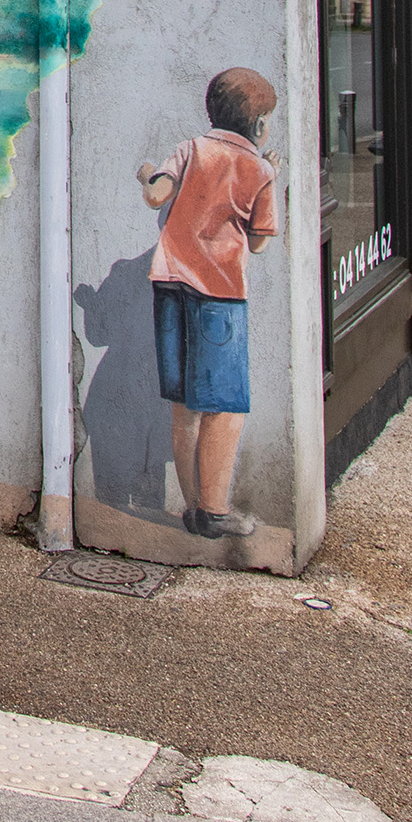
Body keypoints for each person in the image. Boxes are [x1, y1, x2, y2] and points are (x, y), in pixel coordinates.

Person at [137, 66, 280, 539]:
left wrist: (145, 174)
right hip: (218, 293)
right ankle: (215, 512)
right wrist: (270, 178)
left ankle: (192, 508)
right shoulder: (259, 169)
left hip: (169, 282)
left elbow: (156, 195)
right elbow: (258, 243)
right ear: (258, 124)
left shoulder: (189, 148)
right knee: (225, 406)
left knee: (184, 405)